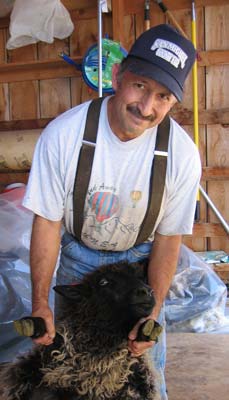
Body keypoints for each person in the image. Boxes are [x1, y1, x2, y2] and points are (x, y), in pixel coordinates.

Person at [23, 24, 201, 399]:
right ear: (119, 75)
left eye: (163, 97)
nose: (146, 107)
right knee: (69, 372)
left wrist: (152, 311)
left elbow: (169, 240)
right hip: (78, 260)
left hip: (140, 264)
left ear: (173, 102)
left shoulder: (182, 156)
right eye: (139, 86)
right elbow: (48, 223)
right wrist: (40, 303)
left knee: (145, 374)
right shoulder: (65, 135)